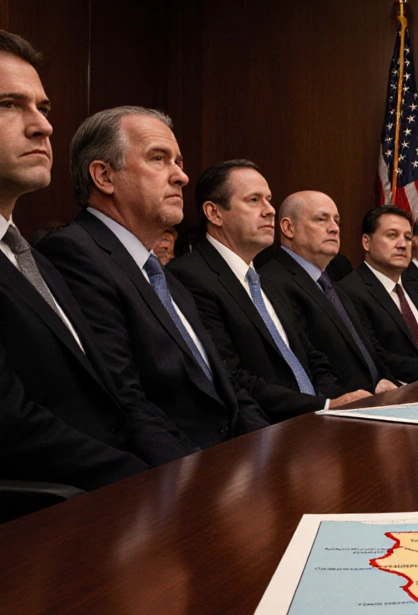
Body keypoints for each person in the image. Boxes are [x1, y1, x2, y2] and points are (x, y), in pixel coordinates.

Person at [43, 107, 269, 453]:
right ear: (104, 176)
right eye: (159, 159)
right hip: (177, 480)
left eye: (178, 162)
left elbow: (225, 387)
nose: (181, 176)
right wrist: (206, 481)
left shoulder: (163, 275)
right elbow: (126, 404)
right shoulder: (74, 255)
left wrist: (268, 449)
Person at [0, 31, 151, 490]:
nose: (43, 126)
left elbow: (107, 399)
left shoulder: (33, 259)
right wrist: (151, 485)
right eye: (9, 104)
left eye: (42, 108)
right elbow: (13, 425)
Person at [170, 160, 367, 422]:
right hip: (264, 430)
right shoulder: (189, 277)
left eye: (269, 200)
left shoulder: (266, 279)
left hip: (317, 420)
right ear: (214, 213)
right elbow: (232, 376)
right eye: (254, 200)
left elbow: (312, 358)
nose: (270, 210)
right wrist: (325, 404)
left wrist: (339, 405)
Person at [260, 191, 398, 394]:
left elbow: (369, 346)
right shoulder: (272, 281)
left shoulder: (333, 278)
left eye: (336, 221)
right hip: (339, 408)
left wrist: (387, 380)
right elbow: (310, 360)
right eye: (321, 219)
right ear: (288, 228)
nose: (334, 228)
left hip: (378, 398)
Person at [339, 205, 418, 382]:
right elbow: (374, 357)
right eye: (392, 235)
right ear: (366, 242)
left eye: (407, 238)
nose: (402, 245)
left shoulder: (414, 291)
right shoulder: (349, 291)